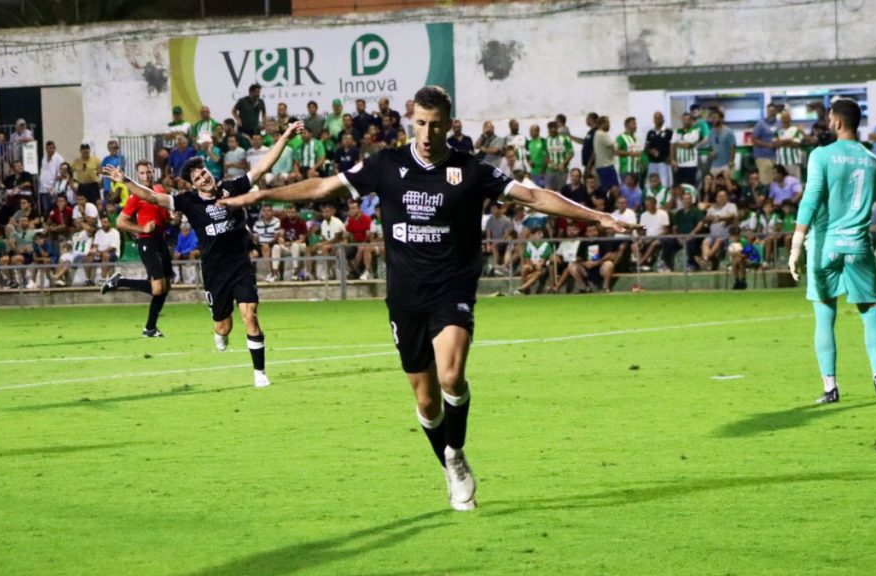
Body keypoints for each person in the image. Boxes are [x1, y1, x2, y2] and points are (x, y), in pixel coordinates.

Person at [213, 86, 639, 512]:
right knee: (426, 400)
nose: (427, 132)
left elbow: (533, 196)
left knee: (452, 376)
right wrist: (262, 194)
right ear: (410, 120)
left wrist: (597, 214)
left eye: (435, 124)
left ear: (449, 123)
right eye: (420, 122)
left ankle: (456, 453)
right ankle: (449, 461)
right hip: (405, 296)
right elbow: (324, 188)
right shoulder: (386, 164)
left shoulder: (470, 170)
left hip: (452, 287)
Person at [103, 121, 302, 388]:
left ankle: (259, 373)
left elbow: (263, 166)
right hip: (214, 271)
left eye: (204, 173)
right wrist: (125, 181)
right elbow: (153, 198)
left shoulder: (232, 188)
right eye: (197, 178)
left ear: (209, 172)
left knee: (250, 314)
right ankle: (220, 333)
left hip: (240, 263)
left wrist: (286, 135)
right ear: (193, 184)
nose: (203, 179)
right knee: (224, 327)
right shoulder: (188, 201)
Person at [788, 98, 876, 405]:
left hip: (825, 245)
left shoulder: (821, 155)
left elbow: (811, 199)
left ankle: (831, 388)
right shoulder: (875, 162)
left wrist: (796, 244)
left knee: (825, 316)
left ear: (838, 122)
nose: (827, 123)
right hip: (859, 246)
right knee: (871, 312)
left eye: (829, 118)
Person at [101, 160, 173, 338]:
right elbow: (120, 222)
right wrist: (142, 229)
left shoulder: (159, 190)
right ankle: (120, 282)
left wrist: (172, 217)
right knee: (158, 289)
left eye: (149, 172)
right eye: (142, 173)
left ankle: (150, 328)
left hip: (161, 241)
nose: (147, 176)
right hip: (147, 242)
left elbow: (164, 215)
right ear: (137, 175)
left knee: (166, 286)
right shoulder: (135, 197)